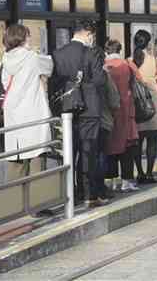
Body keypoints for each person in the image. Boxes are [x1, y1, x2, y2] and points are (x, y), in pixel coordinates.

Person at [51, 19, 112, 206]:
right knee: (88, 153)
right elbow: (101, 81)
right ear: (87, 33)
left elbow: (54, 83)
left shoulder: (57, 54)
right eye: (92, 35)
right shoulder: (92, 53)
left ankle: (70, 195)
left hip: (67, 109)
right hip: (89, 109)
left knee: (70, 151)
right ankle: (88, 195)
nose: (92, 38)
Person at [0, 24, 53, 182]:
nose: (30, 38)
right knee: (37, 167)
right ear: (23, 38)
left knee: (16, 168)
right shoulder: (32, 57)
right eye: (28, 35)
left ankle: (15, 204)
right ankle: (38, 205)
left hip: (13, 122)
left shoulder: (3, 63)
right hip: (34, 120)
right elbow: (49, 67)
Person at [130, 29, 157, 184]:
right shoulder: (155, 61)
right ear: (148, 43)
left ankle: (139, 173)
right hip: (152, 104)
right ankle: (149, 173)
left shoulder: (129, 61)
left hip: (136, 105)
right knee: (152, 140)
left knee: (137, 141)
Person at [104, 39, 141, 193]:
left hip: (108, 112)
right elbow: (137, 82)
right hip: (126, 110)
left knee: (110, 146)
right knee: (127, 147)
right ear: (120, 50)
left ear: (106, 51)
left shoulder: (103, 66)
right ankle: (126, 181)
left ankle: (111, 181)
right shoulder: (126, 65)